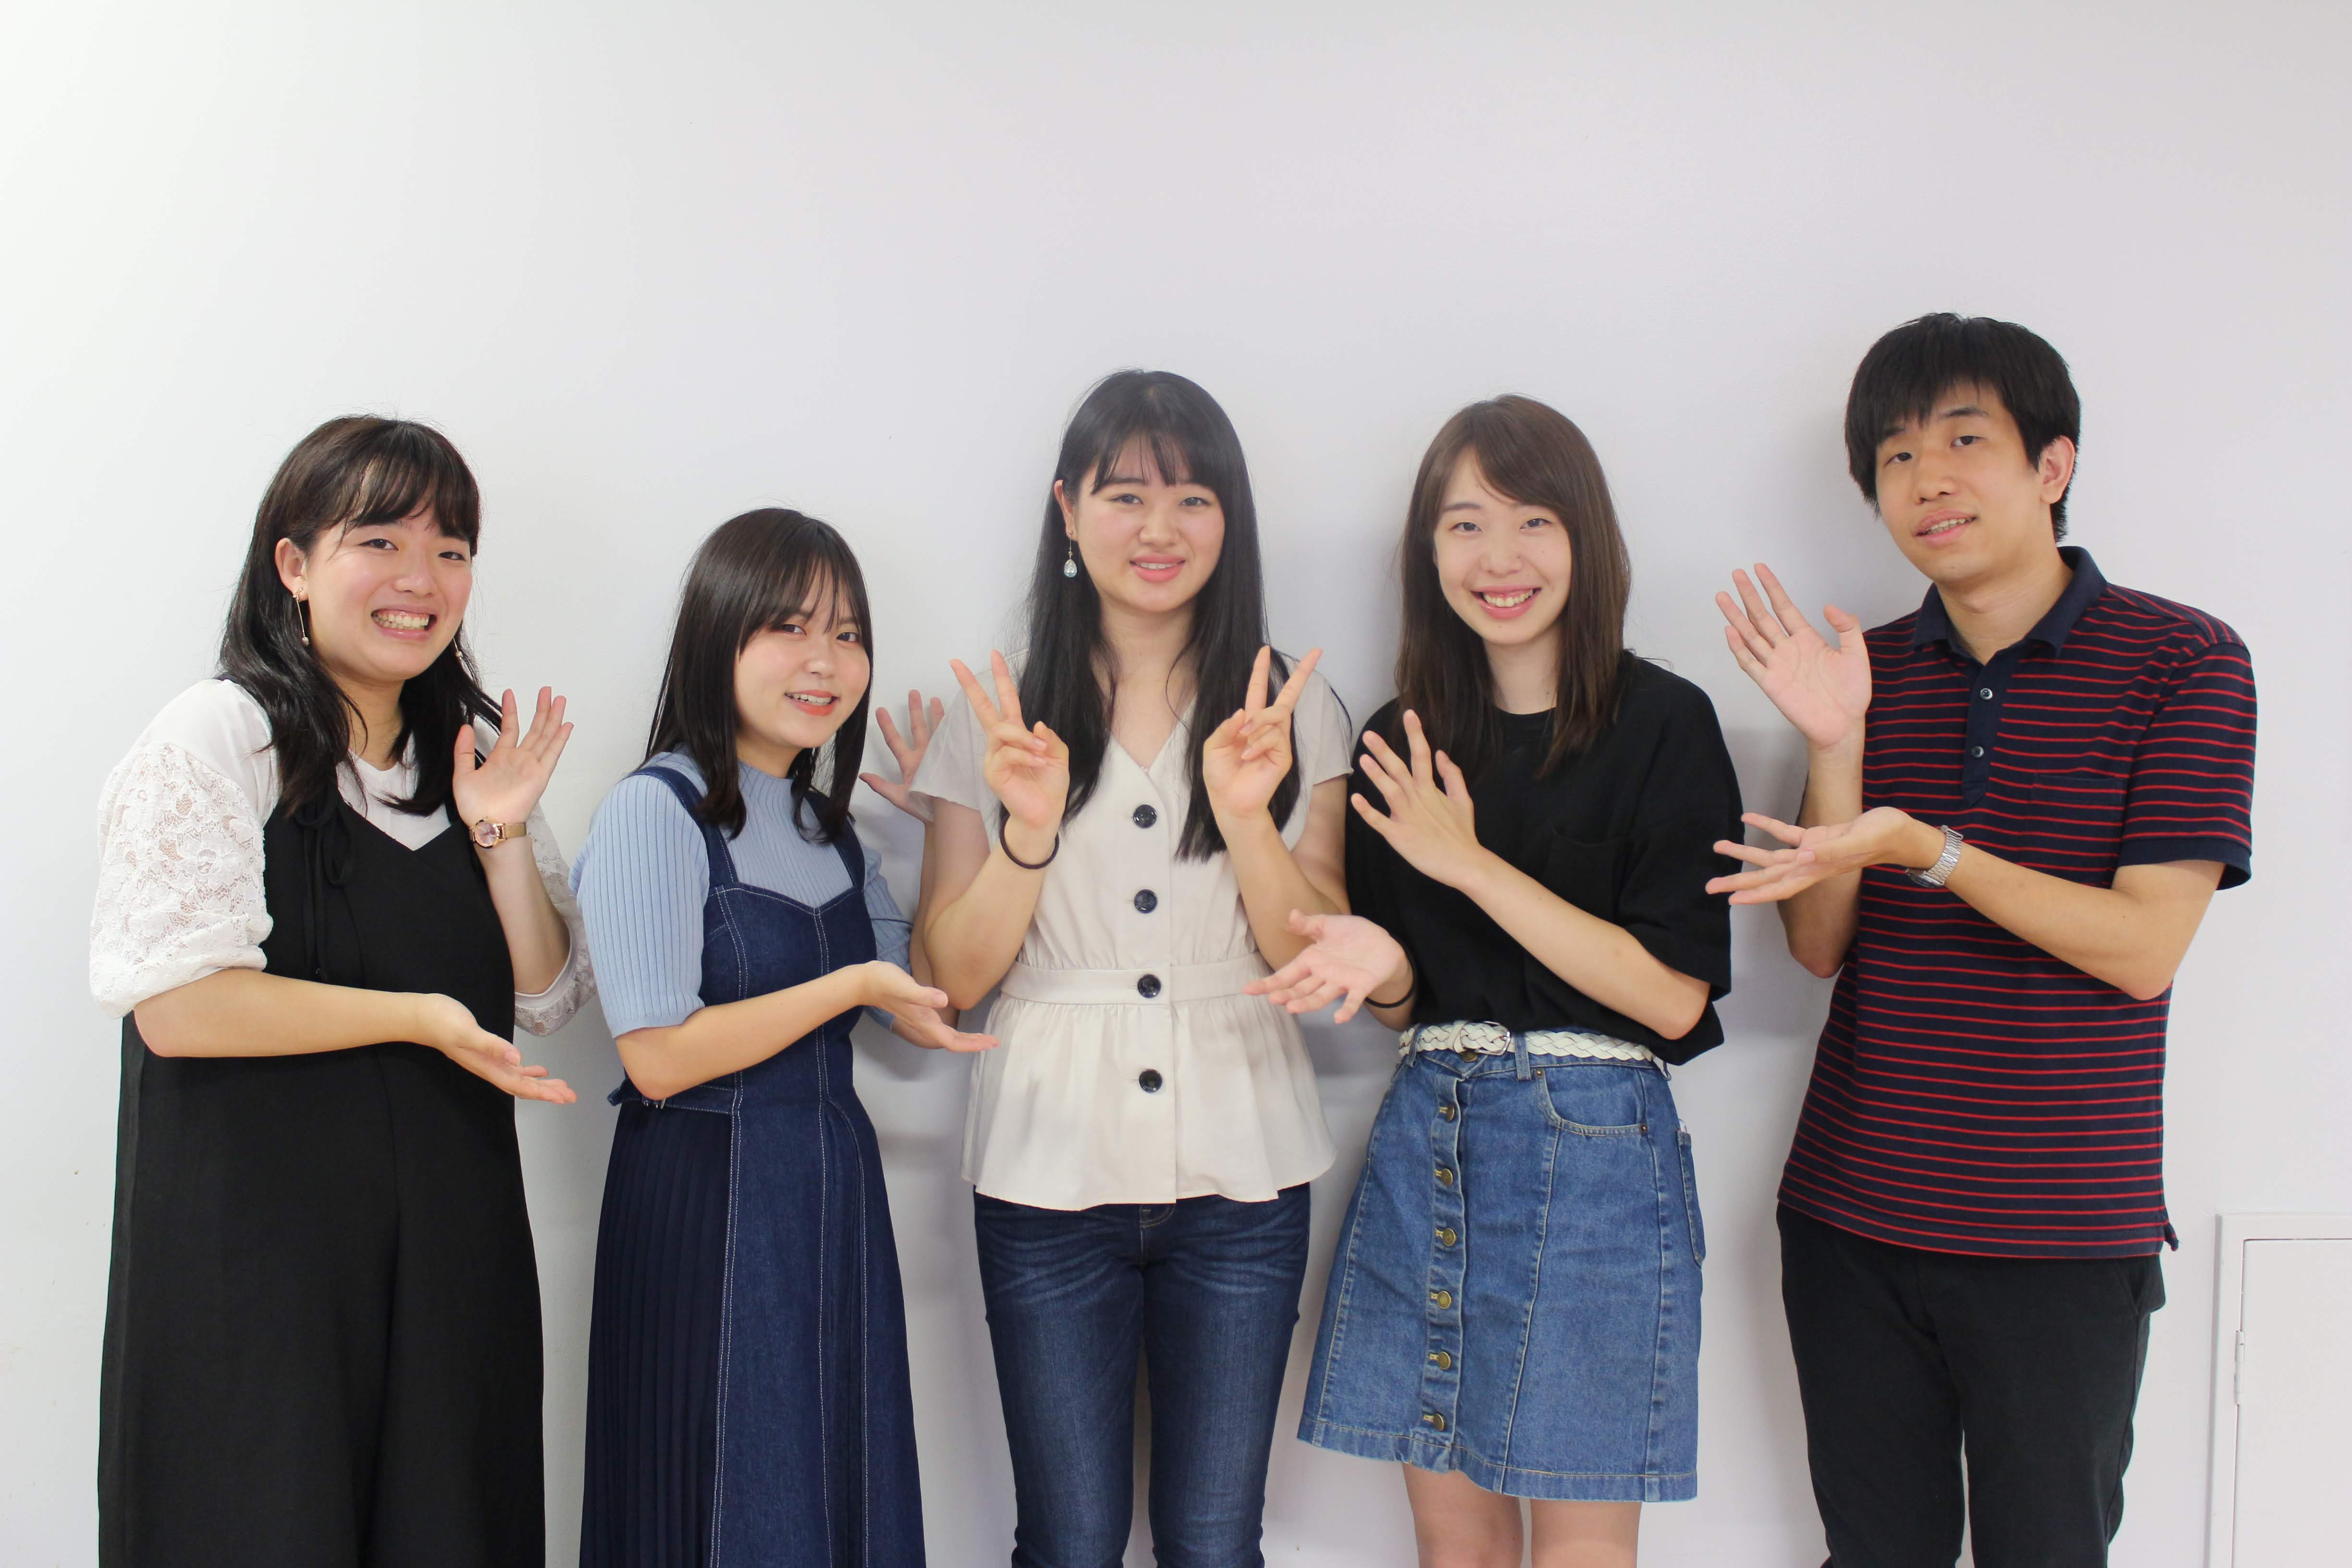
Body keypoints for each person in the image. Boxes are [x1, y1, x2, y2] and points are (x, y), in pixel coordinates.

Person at [1710, 313, 2256, 1566]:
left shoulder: (2183, 661)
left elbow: (2142, 948)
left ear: (2051, 464)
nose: (1927, 480)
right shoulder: (1865, 670)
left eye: (1964, 440)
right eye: (1896, 456)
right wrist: (1835, 746)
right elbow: (1816, 945)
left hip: (2060, 1231)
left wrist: (1928, 848)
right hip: (1852, 1217)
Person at [91, 416, 591, 1567]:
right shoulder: (223, 735)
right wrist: (415, 1018)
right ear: (295, 563)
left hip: (452, 1253)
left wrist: (502, 833)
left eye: (452, 550)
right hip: (261, 1264)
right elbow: (181, 1007)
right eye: (381, 541)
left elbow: (547, 994)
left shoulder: (471, 746)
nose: (423, 579)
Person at [1250, 396, 1741, 1568]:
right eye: (1465, 525)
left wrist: (1468, 863)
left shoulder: (1664, 722)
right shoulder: (1398, 738)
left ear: (1586, 538)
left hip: (1597, 1156)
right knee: (1453, 1540)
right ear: (1428, 551)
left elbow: (1673, 998)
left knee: (1581, 1543)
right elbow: (1412, 1002)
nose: (1498, 558)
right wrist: (1387, 971)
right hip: (1429, 1134)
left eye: (1533, 521)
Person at [901, 369, 1352, 1566]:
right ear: (1067, 508)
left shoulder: (1292, 707)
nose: (1160, 529)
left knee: (1213, 1537)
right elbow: (951, 977)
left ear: (1230, 517)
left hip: (1246, 1166)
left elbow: (1317, 952)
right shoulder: (995, 710)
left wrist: (1247, 819)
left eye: (1193, 497)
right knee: (1070, 1537)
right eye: (1125, 496)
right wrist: (1028, 831)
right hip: (1045, 1162)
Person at [573, 509, 991, 1568]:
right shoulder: (653, 810)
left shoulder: (830, 831)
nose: (825, 661)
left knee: (834, 1479)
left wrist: (951, 818)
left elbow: (930, 1002)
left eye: (847, 634)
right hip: (704, 1192)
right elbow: (655, 1055)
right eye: (790, 628)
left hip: (829, 1188)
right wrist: (843, 983)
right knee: (721, 1490)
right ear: (719, 637)